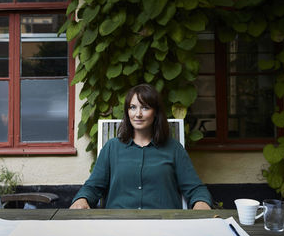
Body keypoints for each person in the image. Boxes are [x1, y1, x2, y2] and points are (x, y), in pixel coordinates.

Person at [70, 83, 212, 210]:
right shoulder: (112, 148)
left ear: (155, 112)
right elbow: (93, 187)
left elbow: (195, 188)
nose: (138, 114)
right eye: (132, 107)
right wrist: (82, 199)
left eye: (145, 108)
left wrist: (201, 203)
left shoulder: (174, 148)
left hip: (163, 225)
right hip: (118, 224)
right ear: (127, 111)